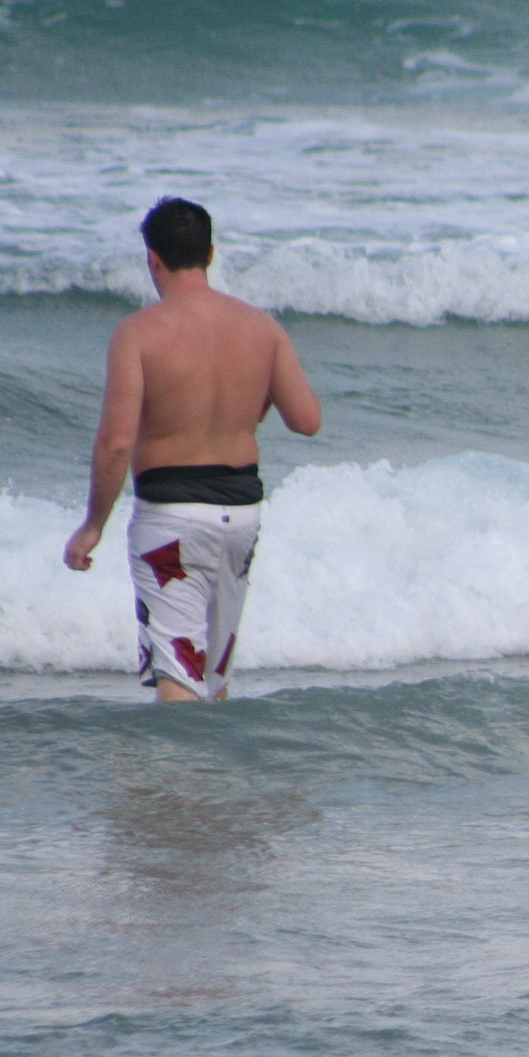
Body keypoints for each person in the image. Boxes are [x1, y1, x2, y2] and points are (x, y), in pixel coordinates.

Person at [63, 197, 321, 701]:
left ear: (152, 259)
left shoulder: (137, 333)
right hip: (241, 517)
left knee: (179, 677)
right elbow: (307, 420)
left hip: (172, 524)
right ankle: (213, 780)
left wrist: (93, 525)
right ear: (211, 254)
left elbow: (116, 444)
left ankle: (176, 782)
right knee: (213, 676)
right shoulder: (262, 328)